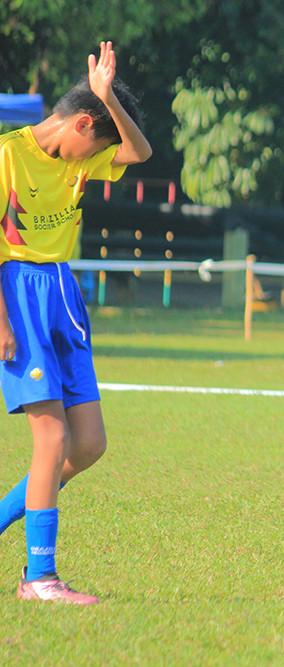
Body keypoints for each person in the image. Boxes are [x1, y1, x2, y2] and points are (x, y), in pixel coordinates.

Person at [0, 41, 152, 605]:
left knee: (87, 444)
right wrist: (1, 322)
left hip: (62, 293)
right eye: (98, 142)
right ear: (82, 123)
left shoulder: (84, 153)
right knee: (51, 437)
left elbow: (139, 152)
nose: (98, 159)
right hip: (17, 293)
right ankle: (39, 578)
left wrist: (108, 97)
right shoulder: (8, 155)